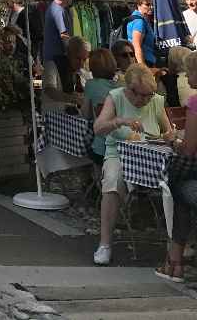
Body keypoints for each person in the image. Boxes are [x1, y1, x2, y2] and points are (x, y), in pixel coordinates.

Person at [91, 62, 175, 265]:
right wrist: (119, 121)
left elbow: (167, 131)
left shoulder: (155, 100)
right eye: (141, 95)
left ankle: (177, 244)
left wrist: (169, 135)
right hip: (119, 154)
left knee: (178, 181)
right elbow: (98, 128)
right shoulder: (116, 97)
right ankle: (105, 244)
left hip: (151, 157)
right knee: (112, 180)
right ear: (129, 89)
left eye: (149, 95)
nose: (144, 100)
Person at [159, 50, 197, 281]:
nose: (186, 75)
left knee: (176, 182)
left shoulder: (195, 101)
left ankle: (175, 264)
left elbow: (189, 148)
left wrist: (174, 142)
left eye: (189, 71)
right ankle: (175, 264)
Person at [79, 48, 118, 163]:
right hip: (122, 146)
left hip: (101, 147)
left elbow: (85, 115)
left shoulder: (91, 85)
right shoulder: (120, 84)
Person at [43, 35, 89, 110]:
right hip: (54, 116)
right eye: (78, 58)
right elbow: (49, 90)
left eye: (84, 59)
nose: (81, 63)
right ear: (68, 54)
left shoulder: (82, 72)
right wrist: (71, 98)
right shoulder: (52, 66)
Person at [44, 0, 74, 92]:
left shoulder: (55, 8)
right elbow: (64, 35)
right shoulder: (57, 10)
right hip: (58, 57)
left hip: (54, 55)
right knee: (64, 88)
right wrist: (72, 53)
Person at [125, 0, 158, 68]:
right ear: (138, 5)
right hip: (145, 61)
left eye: (152, 4)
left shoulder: (137, 18)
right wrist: (143, 68)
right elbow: (136, 45)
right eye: (147, 4)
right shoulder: (139, 22)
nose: (151, 7)